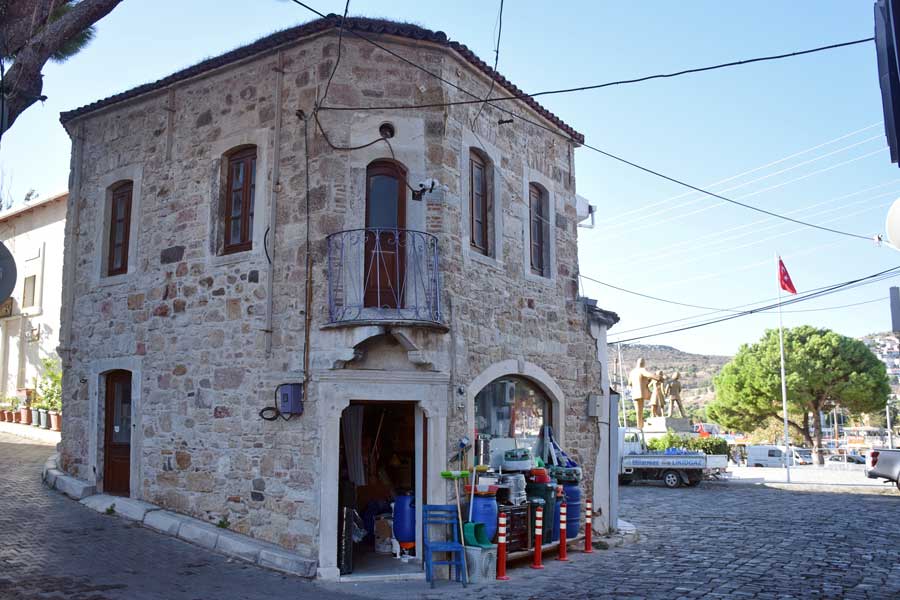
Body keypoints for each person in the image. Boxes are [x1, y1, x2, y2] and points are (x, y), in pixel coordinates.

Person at [629, 358, 659, 429]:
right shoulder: (642, 370)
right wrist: (658, 377)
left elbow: (629, 383)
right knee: (656, 399)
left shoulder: (632, 372)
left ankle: (639, 426)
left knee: (638, 411)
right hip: (643, 392)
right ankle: (655, 414)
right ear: (643, 363)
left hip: (635, 393)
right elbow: (648, 375)